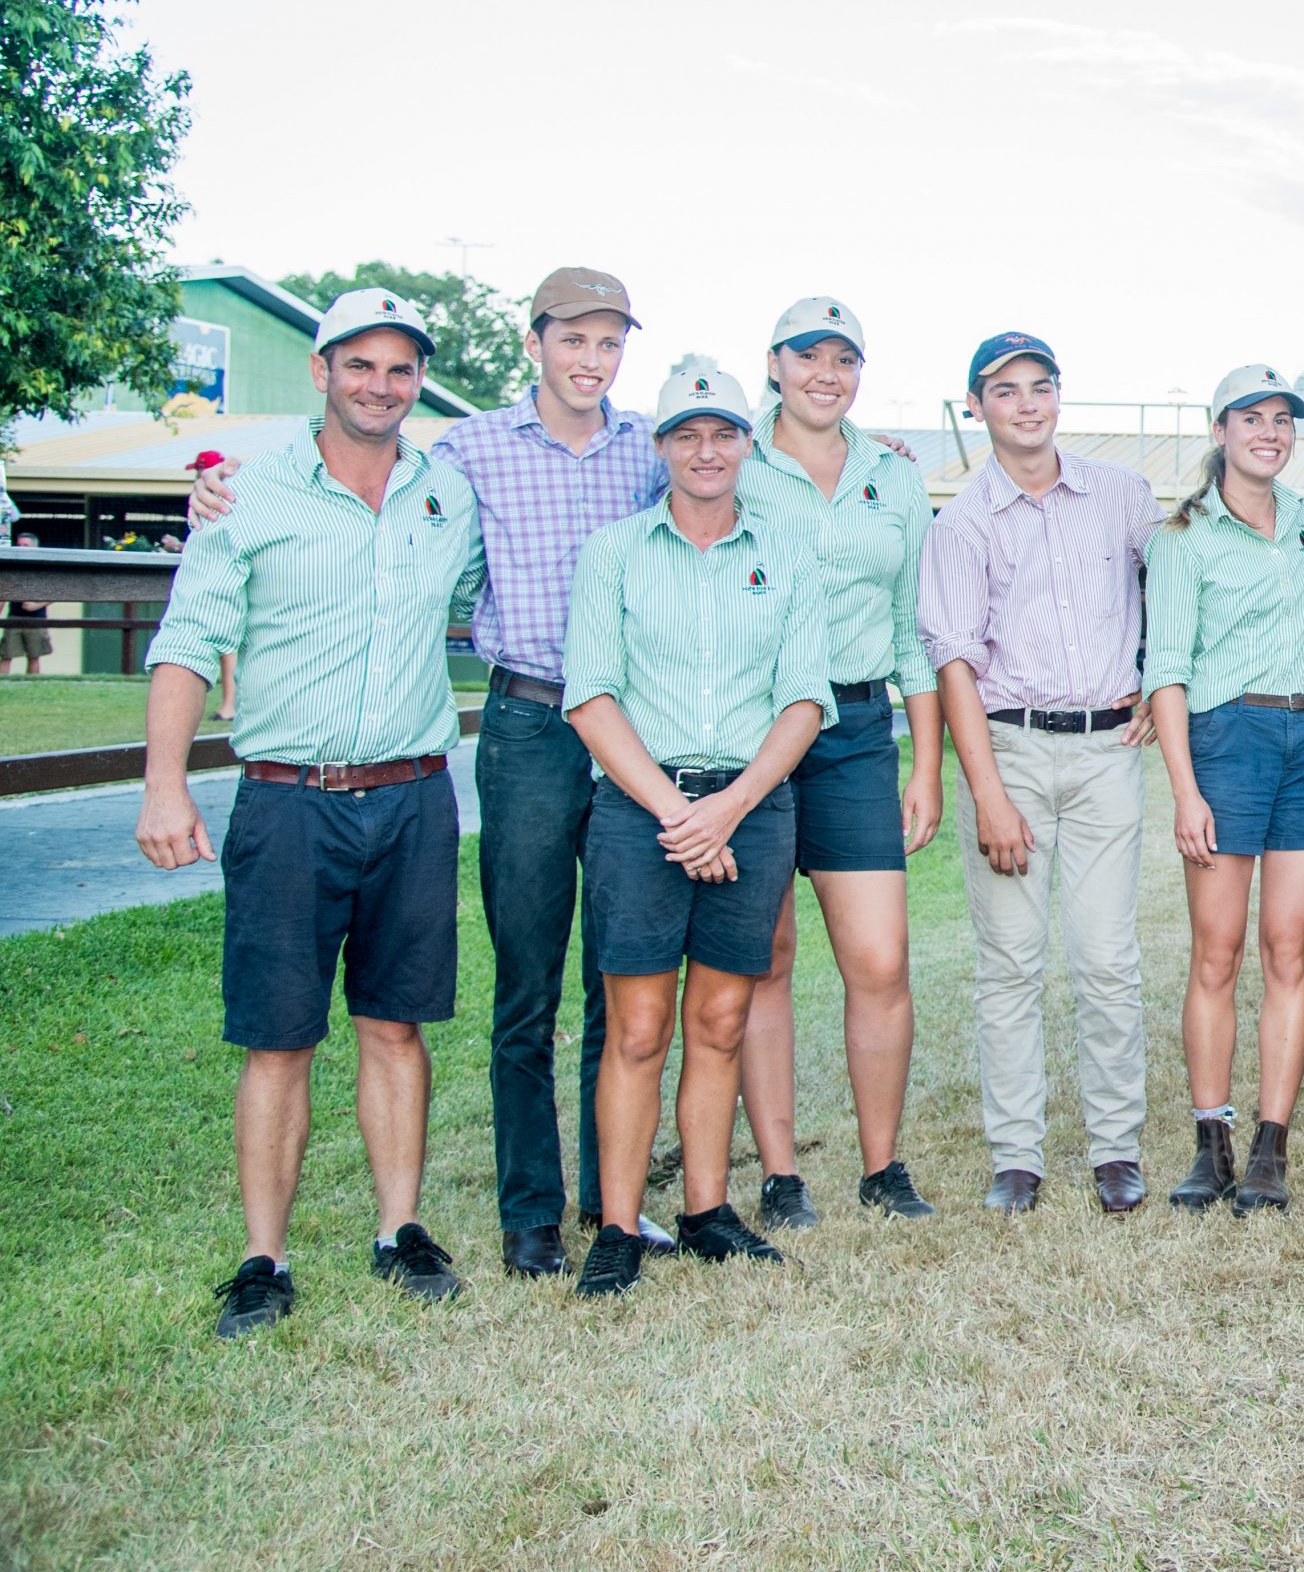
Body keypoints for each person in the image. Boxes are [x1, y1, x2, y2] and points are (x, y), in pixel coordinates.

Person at [190, 268, 672, 1279]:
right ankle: (531, 1213)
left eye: (609, 344)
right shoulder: (464, 454)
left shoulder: (654, 452)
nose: (591, 361)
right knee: (527, 979)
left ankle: (611, 1202)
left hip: (638, 728)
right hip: (530, 722)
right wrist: (219, 493)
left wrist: (865, 453)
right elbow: (359, 465)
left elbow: (743, 483)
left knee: (621, 977)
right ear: (532, 344)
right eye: (572, 340)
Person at [136, 289, 485, 1338]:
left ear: (419, 378)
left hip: (415, 794)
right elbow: (189, 641)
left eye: (401, 368)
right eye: (360, 365)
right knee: (279, 1036)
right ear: (322, 368)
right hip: (289, 799)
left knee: (396, 1024)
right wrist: (163, 783)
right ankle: (263, 1257)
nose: (381, 386)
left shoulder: (446, 493)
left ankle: (399, 1231)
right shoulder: (248, 495)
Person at [562, 368, 834, 1296]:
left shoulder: (786, 554)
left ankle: (709, 1210)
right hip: (642, 810)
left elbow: (805, 699)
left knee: (720, 1019)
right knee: (638, 1028)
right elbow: (590, 697)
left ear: (747, 445)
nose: (706, 451)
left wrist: (730, 808)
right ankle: (616, 1224)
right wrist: (682, 816)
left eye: (723, 434)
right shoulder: (615, 554)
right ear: (661, 446)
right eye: (687, 435)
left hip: (751, 809)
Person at [921, 332, 1162, 1215]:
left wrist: (1159, 677)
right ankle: (1016, 1156)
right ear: (977, 407)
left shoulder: (1121, 496)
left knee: (1106, 956)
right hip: (1010, 750)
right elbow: (953, 663)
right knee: (1011, 962)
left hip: (1108, 752)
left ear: (1060, 397)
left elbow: (1178, 586)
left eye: (1041, 387)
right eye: (1005, 390)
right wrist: (986, 792)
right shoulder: (961, 523)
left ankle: (1115, 1149)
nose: (1027, 404)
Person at [735, 297, 943, 1229]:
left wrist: (926, 763)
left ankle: (882, 1166)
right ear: (774, 363)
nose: (826, 373)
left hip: (858, 734)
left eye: (844, 358)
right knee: (764, 956)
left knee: (880, 959)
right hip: (753, 734)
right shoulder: (730, 458)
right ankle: (781, 1175)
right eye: (807, 355)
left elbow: (912, 630)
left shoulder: (892, 474)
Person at [1144, 363, 1304, 1216]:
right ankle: (1211, 1144)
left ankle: (1271, 1147)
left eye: (1282, 419)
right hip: (1227, 739)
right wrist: (1186, 791)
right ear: (1220, 429)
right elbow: (1167, 671)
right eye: (1252, 418)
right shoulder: (1184, 538)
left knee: (1288, 949)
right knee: (1218, 953)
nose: (1270, 432)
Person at [183, 452, 240, 717]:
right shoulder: (207, 493)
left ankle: (230, 706)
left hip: (228, 580)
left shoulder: (222, 495)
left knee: (227, 648)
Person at [4, 531, 51, 674]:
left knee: (33, 657)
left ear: (35, 547)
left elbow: (56, 594)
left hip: (36, 619)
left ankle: (32, 685)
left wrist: (36, 605)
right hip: (14, 617)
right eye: (19, 545)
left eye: (25, 545)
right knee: (6, 655)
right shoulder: (12, 567)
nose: (21, 547)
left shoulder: (43, 568)